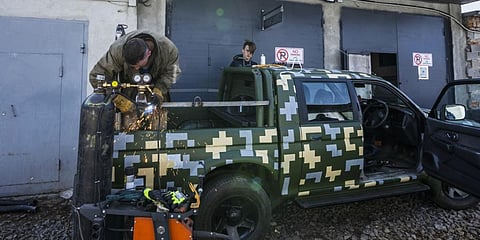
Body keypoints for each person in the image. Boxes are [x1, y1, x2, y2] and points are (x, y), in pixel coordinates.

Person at [89, 30, 181, 103]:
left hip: (155, 88)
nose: (136, 69)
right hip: (127, 92)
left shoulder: (169, 50)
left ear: (148, 54)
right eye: (132, 67)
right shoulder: (117, 50)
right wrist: (116, 98)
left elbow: (172, 74)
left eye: (137, 65)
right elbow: (96, 76)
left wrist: (159, 90)